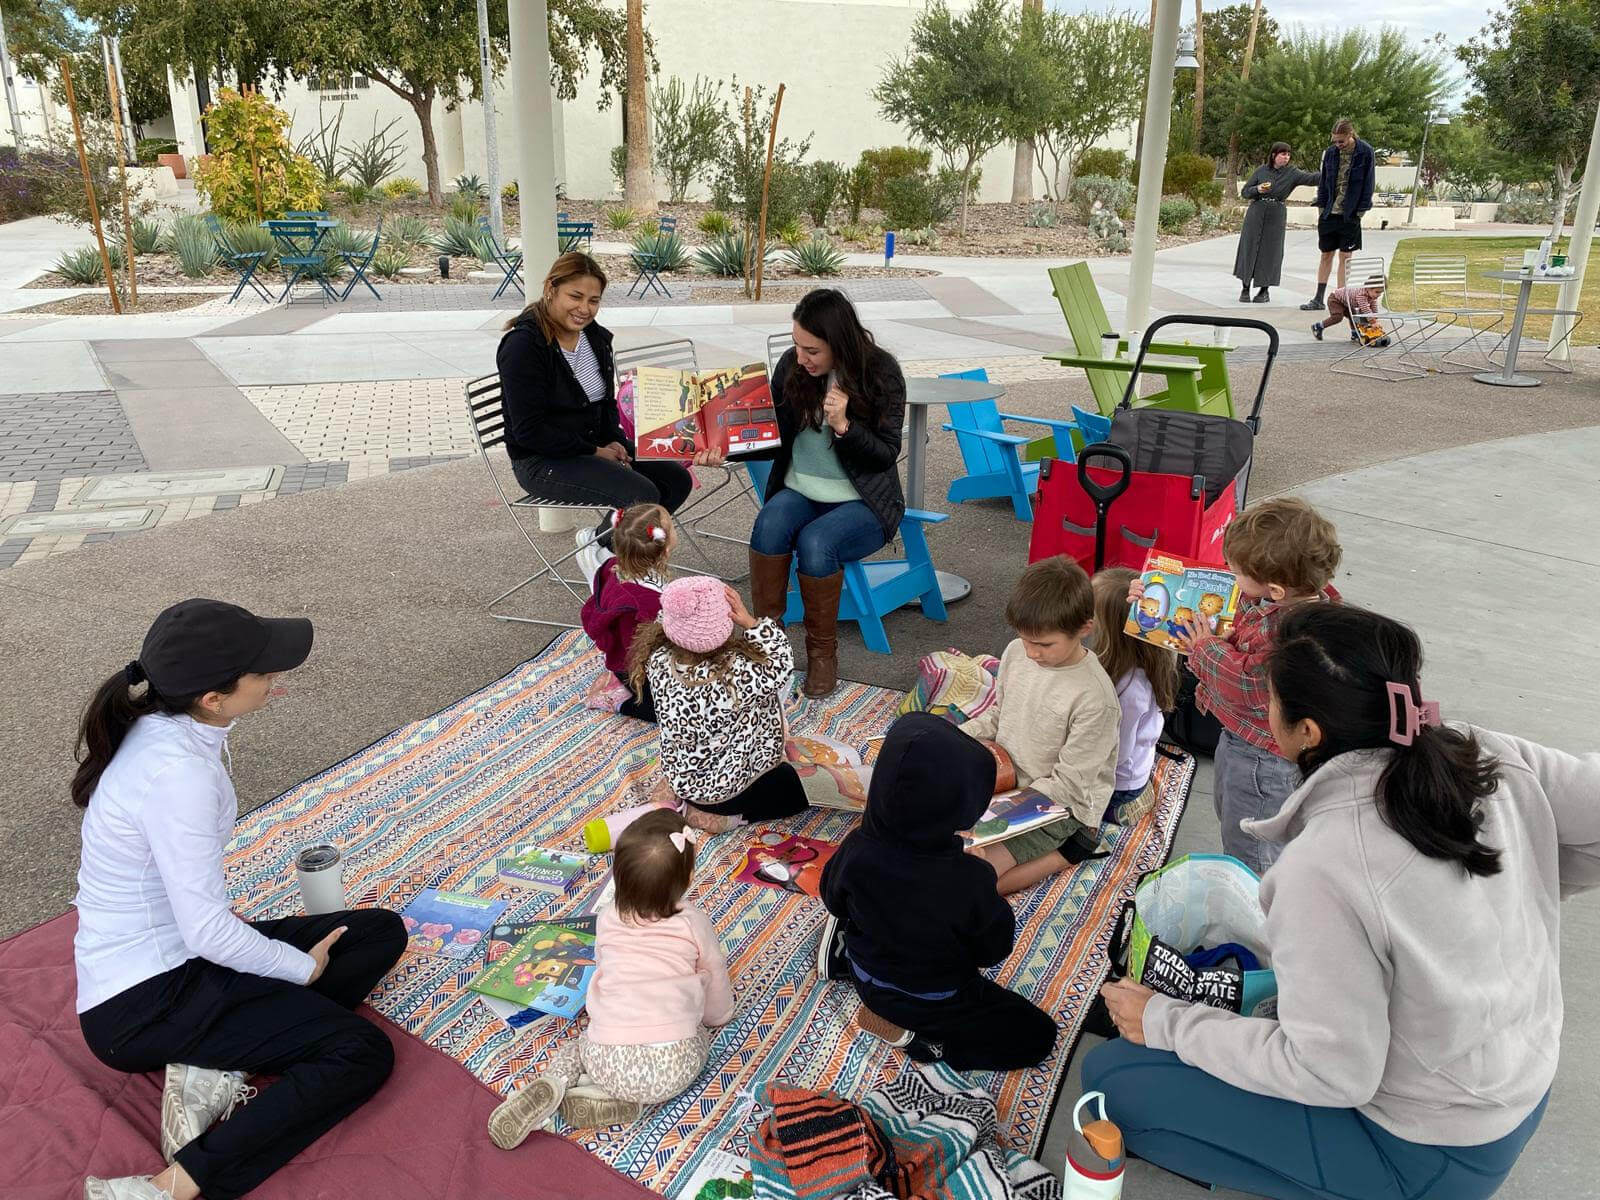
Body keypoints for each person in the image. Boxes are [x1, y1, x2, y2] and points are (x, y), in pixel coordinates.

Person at [1086, 603, 1592, 1200]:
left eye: (1269, 698)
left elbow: (1332, 1072)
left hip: (1428, 1151)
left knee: (1109, 1082)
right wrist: (1519, 890)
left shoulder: (1324, 862)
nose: (1263, 709)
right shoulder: (1483, 752)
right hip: (1517, 1081)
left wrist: (1166, 1021)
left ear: (1307, 732)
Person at [74, 599, 406, 1200]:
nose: (275, 678)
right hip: (144, 1001)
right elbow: (206, 932)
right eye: (263, 670)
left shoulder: (166, 725)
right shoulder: (179, 775)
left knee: (379, 933)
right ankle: (171, 1185)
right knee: (359, 1052)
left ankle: (211, 1060)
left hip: (180, 956)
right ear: (212, 697)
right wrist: (299, 968)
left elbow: (198, 920)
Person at [815, 712, 1058, 1071]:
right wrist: (982, 875)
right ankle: (932, 1046)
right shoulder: (968, 879)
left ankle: (844, 957)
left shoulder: (856, 848)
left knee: (861, 912)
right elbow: (993, 949)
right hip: (933, 1001)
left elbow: (831, 899)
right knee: (1038, 1034)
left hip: (868, 976)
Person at [699, 289, 907, 699]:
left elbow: (886, 454)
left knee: (817, 542)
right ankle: (767, 649)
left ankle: (822, 656)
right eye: (796, 345)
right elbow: (768, 434)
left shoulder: (880, 372)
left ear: (840, 343)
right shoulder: (793, 370)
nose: (801, 357)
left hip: (863, 501)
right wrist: (724, 448)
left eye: (812, 350)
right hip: (801, 490)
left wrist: (845, 426)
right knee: (768, 526)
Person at [487, 809, 734, 1146]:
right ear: (689, 876)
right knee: (697, 1034)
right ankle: (630, 1101)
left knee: (578, 1048)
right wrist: (717, 1016)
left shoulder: (607, 917)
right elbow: (714, 972)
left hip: (607, 1056)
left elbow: (605, 964)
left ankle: (554, 1083)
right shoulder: (693, 922)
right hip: (671, 1067)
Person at [1156, 498, 1341, 874]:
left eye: (1235, 571)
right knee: (1235, 812)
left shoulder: (1286, 633)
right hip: (1247, 740)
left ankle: (1253, 910)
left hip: (1263, 757)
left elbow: (1246, 684)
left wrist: (1203, 648)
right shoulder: (1297, 603)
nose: (1229, 575)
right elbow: (1242, 613)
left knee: (1250, 842)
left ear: (1274, 589)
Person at [957, 556, 1121, 896]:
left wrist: (993, 816)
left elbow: (1070, 786)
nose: (1031, 652)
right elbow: (1000, 715)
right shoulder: (1018, 651)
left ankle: (1070, 850)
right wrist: (951, 738)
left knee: (973, 883)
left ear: (1084, 628)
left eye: (1044, 644)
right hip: (1005, 778)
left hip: (1059, 808)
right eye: (1025, 639)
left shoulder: (1095, 699)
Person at [497, 252, 693, 533]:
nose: (584, 309)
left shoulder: (595, 338)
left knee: (675, 479)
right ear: (551, 289)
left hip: (589, 446)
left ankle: (608, 549)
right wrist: (595, 450)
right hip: (541, 461)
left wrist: (613, 440)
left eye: (594, 300)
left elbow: (604, 404)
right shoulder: (523, 346)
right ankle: (604, 554)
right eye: (575, 296)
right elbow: (530, 431)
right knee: (641, 493)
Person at [629, 576, 806, 833]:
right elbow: (781, 661)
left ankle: (678, 797)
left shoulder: (658, 658)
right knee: (792, 788)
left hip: (684, 777)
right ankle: (726, 819)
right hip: (725, 793)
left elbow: (674, 619)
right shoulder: (735, 673)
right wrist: (751, 623)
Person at [1090, 568, 1179, 823]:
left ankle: (1132, 805)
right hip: (1129, 767)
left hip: (1120, 785)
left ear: (1109, 629)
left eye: (1089, 611)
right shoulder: (1148, 658)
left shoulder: (1129, 691)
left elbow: (1117, 754)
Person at [579, 503, 674, 721]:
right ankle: (620, 700)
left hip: (628, 660)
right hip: (639, 671)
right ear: (666, 546)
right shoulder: (646, 601)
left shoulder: (612, 566)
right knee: (677, 714)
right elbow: (643, 652)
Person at [1300, 119, 1376, 311]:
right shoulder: (1331, 153)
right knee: (1326, 254)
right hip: (1329, 212)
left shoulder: (1365, 152)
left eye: (1341, 141)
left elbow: (1369, 182)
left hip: (1350, 213)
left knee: (1346, 256)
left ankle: (1341, 298)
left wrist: (1361, 210)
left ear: (1351, 135)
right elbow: (1324, 180)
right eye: (1335, 141)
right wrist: (1322, 206)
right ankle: (1318, 298)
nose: (1337, 145)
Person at [1234, 142, 1320, 304]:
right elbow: (1245, 192)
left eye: (1288, 154)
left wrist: (1330, 170)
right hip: (1256, 211)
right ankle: (1245, 287)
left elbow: (1312, 178)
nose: (1286, 157)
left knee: (1271, 251)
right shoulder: (1261, 171)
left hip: (1276, 213)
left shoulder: (1292, 173)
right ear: (1274, 155)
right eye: (1282, 154)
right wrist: (1258, 189)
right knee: (1249, 247)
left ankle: (1264, 290)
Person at [1312, 274, 1389, 346]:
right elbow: (1365, 309)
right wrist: (1373, 322)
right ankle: (1318, 326)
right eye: (1377, 292)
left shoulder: (1371, 295)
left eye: (1381, 293)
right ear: (1368, 287)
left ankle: (1355, 333)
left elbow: (1374, 308)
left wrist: (1375, 319)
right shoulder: (1361, 295)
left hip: (1348, 303)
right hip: (1335, 299)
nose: (1378, 295)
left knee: (1354, 317)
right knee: (1337, 317)